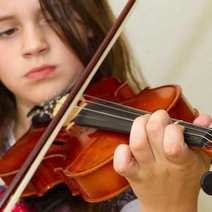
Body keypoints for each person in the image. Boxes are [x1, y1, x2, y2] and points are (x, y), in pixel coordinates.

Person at [0, 0, 211, 211]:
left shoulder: (129, 169)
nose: (34, 45)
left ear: (89, 24)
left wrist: (170, 204)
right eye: (7, 31)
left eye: (55, 17)